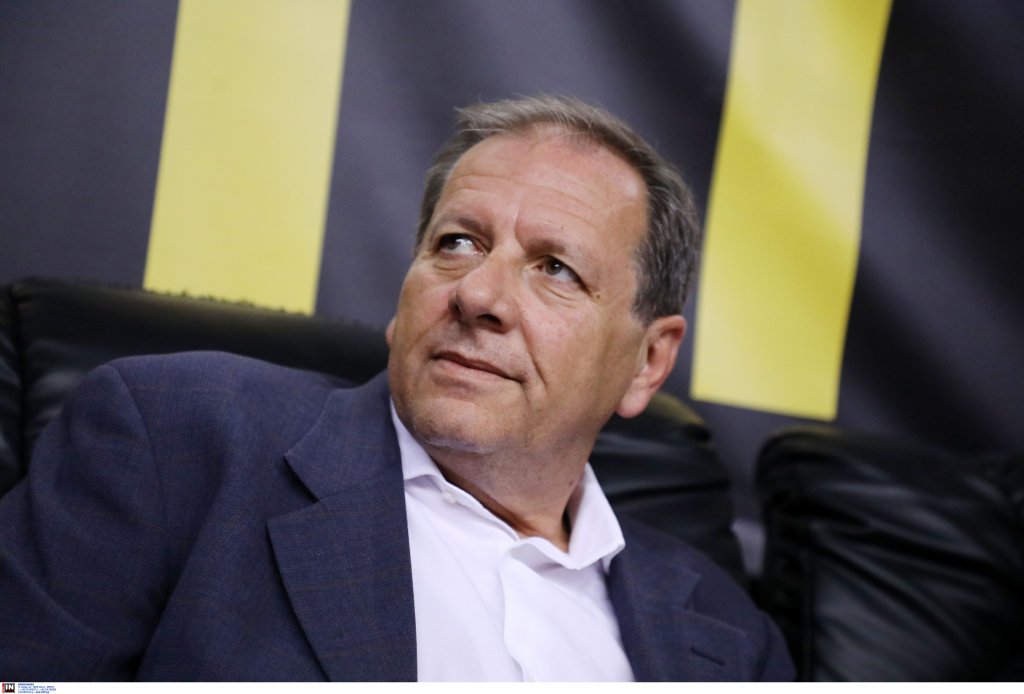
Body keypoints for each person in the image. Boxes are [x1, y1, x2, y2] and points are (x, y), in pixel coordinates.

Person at [0, 95, 793, 681]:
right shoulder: (180, 440)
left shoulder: (728, 639)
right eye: (458, 243)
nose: (478, 294)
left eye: (555, 268)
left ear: (648, 360)